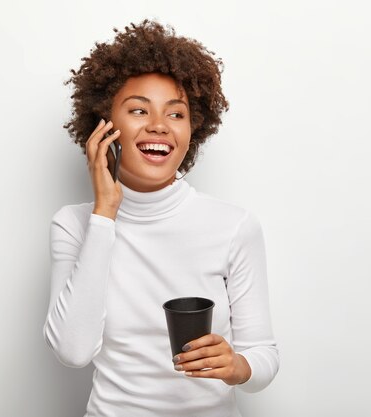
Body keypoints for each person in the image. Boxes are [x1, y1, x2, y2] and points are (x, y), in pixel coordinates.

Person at [43, 20, 279, 417]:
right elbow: (73, 351)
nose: (159, 126)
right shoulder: (74, 225)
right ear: (104, 126)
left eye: (176, 114)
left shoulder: (234, 226)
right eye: (138, 110)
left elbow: (264, 355)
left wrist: (237, 366)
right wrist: (104, 215)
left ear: (193, 129)